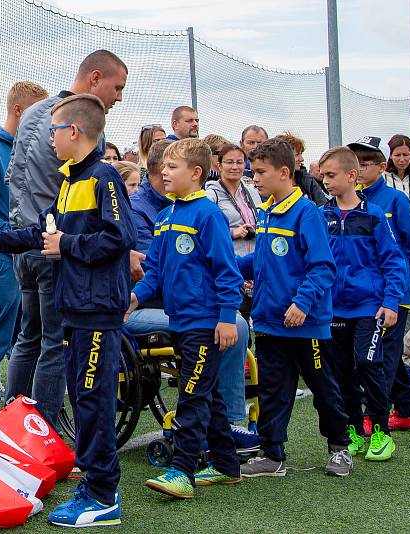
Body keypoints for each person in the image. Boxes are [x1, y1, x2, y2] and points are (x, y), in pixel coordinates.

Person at [0, 94, 135, 527]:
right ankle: (95, 483)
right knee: (86, 399)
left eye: (52, 131)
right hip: (75, 308)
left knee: (93, 401)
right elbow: (38, 233)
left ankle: (104, 496)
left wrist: (66, 245)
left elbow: (119, 236)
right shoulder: (69, 182)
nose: (48, 139)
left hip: (95, 311)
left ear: (73, 132)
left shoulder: (103, 177)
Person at [5, 49, 127, 427]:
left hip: (24, 241)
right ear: (94, 78)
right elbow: (80, 190)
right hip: (54, 247)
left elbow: (13, 175)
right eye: (117, 86)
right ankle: (46, 431)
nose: (118, 97)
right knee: (54, 344)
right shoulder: (80, 121)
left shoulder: (32, 114)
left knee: (29, 337)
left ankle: (10, 426)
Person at [126, 140, 257, 452]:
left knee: (193, 394)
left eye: (172, 167)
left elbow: (227, 272)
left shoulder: (209, 216)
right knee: (203, 394)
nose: (163, 172)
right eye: (162, 167)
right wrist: (134, 299)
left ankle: (184, 467)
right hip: (180, 319)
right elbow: (154, 272)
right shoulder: (165, 217)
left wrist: (227, 317)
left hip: (204, 319)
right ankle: (226, 463)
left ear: (196, 173)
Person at [236, 139, 353, 478]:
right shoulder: (266, 211)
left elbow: (322, 267)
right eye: (252, 172)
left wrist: (302, 303)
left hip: (306, 324)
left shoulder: (308, 214)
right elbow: (260, 261)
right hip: (270, 322)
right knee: (273, 389)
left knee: (323, 388)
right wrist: (226, 265)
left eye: (260, 172)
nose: (254, 179)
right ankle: (272, 455)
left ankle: (339, 447)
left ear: (284, 172)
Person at [0, 81, 48, 426]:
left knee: (26, 334)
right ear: (19, 110)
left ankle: (19, 405)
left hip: (25, 256)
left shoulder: (29, 148)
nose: (46, 119)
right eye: (39, 111)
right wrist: (14, 235)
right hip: (1, 257)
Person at [320, 146, 406, 462]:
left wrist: (392, 302)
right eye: (323, 175)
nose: (326, 181)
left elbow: (394, 261)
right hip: (333, 309)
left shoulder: (374, 216)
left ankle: (381, 433)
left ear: (352, 176)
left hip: (370, 306)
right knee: (341, 372)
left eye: (332, 175)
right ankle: (355, 431)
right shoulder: (320, 215)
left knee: (368, 364)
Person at [349, 135, 410, 434]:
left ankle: (374, 415)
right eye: (353, 161)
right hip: (365, 291)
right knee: (389, 351)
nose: (357, 168)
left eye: (364, 162)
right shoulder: (351, 200)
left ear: (380, 166)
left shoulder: (395, 200)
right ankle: (408, 412)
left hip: (395, 289)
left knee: (380, 352)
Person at [205, 144, 261, 256]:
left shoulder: (253, 193)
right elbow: (205, 231)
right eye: (229, 162)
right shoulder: (211, 195)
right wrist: (232, 233)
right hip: (228, 262)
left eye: (239, 162)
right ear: (219, 165)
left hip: (255, 261)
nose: (235, 167)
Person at [275, 132, 328, 206]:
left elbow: (323, 206)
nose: (301, 159)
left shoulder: (307, 180)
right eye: (297, 155)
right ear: (283, 157)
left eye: (301, 154)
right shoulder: (271, 183)